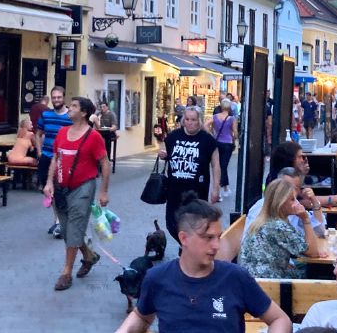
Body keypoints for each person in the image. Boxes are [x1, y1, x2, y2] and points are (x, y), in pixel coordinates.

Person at [115, 193, 292, 333]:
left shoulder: (235, 277)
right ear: (183, 238)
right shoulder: (157, 278)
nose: (216, 246)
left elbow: (280, 319)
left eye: (218, 237)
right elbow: (142, 317)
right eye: (208, 238)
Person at [43, 97, 111, 291]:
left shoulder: (93, 137)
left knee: (74, 226)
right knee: (67, 230)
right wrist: (49, 182)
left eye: (73, 106)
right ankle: (89, 255)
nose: (69, 109)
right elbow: (55, 158)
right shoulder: (62, 132)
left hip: (83, 186)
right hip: (62, 187)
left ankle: (66, 272)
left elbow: (105, 163)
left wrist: (103, 191)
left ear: (83, 113)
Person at [159, 107, 221, 243]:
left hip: (197, 191)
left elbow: (216, 165)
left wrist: (216, 189)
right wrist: (163, 155)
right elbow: (167, 153)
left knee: (195, 224)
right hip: (174, 190)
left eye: (193, 119)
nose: (190, 123)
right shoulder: (173, 137)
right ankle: (185, 245)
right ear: (183, 120)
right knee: (171, 223)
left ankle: (188, 249)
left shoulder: (208, 140)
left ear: (199, 121)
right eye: (187, 119)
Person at [240, 179, 324, 279]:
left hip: (253, 278)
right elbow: (313, 252)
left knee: (303, 267)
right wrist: (305, 219)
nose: (297, 203)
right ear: (280, 202)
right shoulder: (278, 226)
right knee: (316, 272)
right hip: (268, 283)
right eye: (292, 199)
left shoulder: (263, 220)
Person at [243, 167, 325, 241]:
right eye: (286, 187)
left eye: (295, 188)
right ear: (278, 185)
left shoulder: (293, 206)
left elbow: (319, 231)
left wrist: (314, 201)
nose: (290, 191)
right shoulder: (261, 207)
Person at [37, 86, 72, 237]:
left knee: (61, 191)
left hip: (63, 159)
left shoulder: (70, 116)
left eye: (59, 97)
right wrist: (39, 152)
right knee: (49, 191)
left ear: (64, 97)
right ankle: (57, 220)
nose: (56, 100)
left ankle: (61, 222)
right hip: (46, 156)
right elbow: (37, 134)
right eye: (54, 97)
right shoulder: (46, 115)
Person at [207, 99, 238, 198]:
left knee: (218, 165)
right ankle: (221, 189)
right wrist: (234, 138)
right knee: (223, 166)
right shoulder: (232, 118)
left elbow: (206, 125)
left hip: (217, 142)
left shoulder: (215, 117)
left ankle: (224, 188)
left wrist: (211, 134)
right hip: (227, 143)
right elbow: (235, 132)